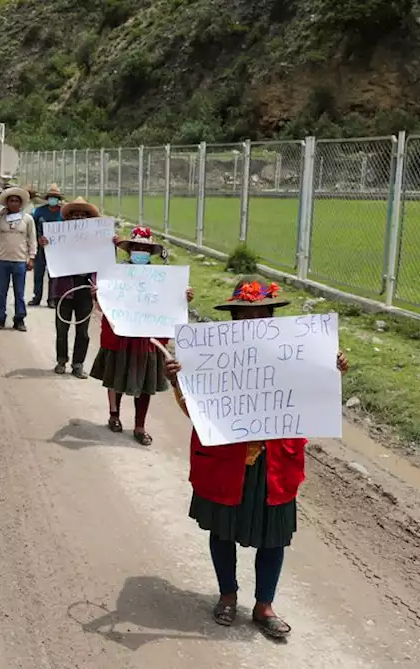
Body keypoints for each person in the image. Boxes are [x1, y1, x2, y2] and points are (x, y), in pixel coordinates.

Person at [164, 277, 349, 640]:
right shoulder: (214, 358)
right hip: (225, 460)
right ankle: (228, 595)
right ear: (234, 319)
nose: (252, 323)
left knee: (274, 536)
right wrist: (178, 382)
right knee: (222, 530)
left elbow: (316, 397)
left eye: (261, 316)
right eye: (244, 316)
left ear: (272, 318)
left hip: (276, 461)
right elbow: (197, 410)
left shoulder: (294, 353)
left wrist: (332, 370)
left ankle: (264, 606)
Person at [90, 227, 192, 445]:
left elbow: (170, 303)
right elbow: (103, 304)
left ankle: (139, 425)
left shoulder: (163, 278)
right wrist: (98, 295)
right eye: (136, 248)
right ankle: (114, 415)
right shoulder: (116, 273)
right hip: (121, 335)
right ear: (130, 251)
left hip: (148, 337)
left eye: (145, 249)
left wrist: (184, 297)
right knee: (117, 375)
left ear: (151, 252)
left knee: (145, 382)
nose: (141, 252)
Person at [46, 198, 103, 377]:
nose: (78, 219)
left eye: (82, 216)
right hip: (63, 288)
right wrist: (46, 245)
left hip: (85, 288)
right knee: (61, 329)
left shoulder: (97, 240)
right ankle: (61, 361)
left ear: (88, 219)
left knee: (83, 331)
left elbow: (106, 260)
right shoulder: (59, 238)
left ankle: (78, 364)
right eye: (74, 215)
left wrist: (112, 243)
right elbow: (50, 258)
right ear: (68, 219)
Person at [0, 187, 38, 331]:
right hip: (2, 260)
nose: (13, 203)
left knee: (19, 293)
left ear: (21, 203)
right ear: (6, 203)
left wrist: (31, 258)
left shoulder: (27, 219)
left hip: (20, 261)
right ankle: (0, 318)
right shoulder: (1, 218)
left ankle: (19, 319)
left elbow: (32, 239)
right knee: (1, 292)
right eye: (11, 201)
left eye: (16, 201)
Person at [30, 184, 64, 308]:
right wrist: (37, 238)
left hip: (56, 249)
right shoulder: (39, 211)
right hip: (41, 247)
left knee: (53, 275)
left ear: (58, 199)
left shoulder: (63, 213)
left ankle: (52, 298)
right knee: (38, 273)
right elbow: (32, 227)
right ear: (47, 198)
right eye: (50, 197)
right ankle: (36, 297)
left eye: (55, 197)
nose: (52, 199)